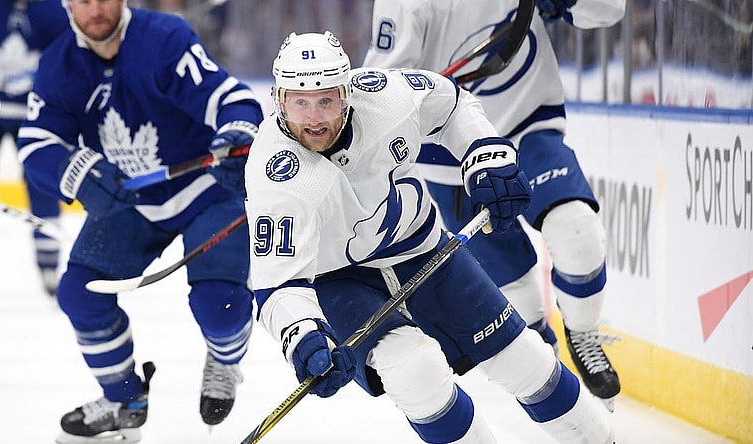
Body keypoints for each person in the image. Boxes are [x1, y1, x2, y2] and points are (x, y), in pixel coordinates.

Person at [242, 30, 615, 444]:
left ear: (347, 94)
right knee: (414, 372)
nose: (314, 119)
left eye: (326, 100)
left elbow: (451, 105)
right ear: (279, 100)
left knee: (525, 361)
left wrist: (486, 155)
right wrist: (304, 337)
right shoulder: (275, 175)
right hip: (339, 281)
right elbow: (279, 283)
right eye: (301, 103)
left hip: (423, 250)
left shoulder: (384, 97)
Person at [17, 0, 263, 442]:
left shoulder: (163, 38)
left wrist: (238, 133)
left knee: (219, 306)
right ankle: (123, 398)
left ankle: (225, 360)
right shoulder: (58, 64)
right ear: (66, 4)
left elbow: (232, 99)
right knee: (80, 293)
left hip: (206, 189)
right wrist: (77, 171)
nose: (95, 8)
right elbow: (37, 143)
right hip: (131, 199)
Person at [363, 0, 626, 409]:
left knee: (577, 230)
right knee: (519, 308)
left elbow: (609, 10)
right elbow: (379, 89)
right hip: (456, 161)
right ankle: (564, 398)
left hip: (527, 127)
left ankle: (584, 332)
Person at [0, 0, 68, 295]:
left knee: (43, 186)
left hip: (34, 117)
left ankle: (50, 266)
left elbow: (66, 58)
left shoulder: (53, 10)